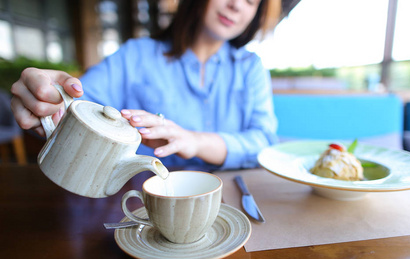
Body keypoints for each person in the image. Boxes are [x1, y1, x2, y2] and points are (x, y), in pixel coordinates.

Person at [10, 0, 280, 171]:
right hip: (139, 196)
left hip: (232, 195)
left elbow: (265, 142)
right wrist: (47, 102)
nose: (236, 5)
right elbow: (76, 108)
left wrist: (195, 141)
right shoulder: (136, 55)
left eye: (251, 1)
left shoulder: (250, 67)